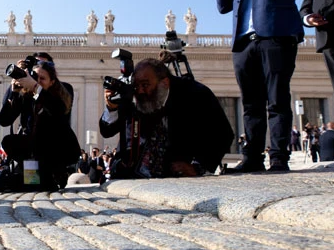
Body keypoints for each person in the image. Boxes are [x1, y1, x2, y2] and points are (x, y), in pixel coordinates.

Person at [215, 0, 309, 172]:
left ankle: (279, 157)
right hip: (244, 43)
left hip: (276, 38)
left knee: (277, 99)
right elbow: (225, 7)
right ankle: (252, 158)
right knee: (251, 104)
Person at [99, 59, 234, 178]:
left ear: (165, 82)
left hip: (175, 176)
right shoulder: (132, 94)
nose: (140, 91)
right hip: (129, 172)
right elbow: (107, 131)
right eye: (137, 86)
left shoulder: (196, 94)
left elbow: (223, 134)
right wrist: (111, 108)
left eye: (145, 85)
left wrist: (198, 166)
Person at [3, 59, 81, 191]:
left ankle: (54, 175)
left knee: (41, 149)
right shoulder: (26, 96)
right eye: (35, 77)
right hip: (33, 151)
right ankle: (36, 180)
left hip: (56, 149)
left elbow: (56, 113)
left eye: (42, 78)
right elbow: (4, 120)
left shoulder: (59, 95)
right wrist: (14, 92)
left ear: (52, 81)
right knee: (9, 141)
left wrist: (35, 87)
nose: (38, 81)